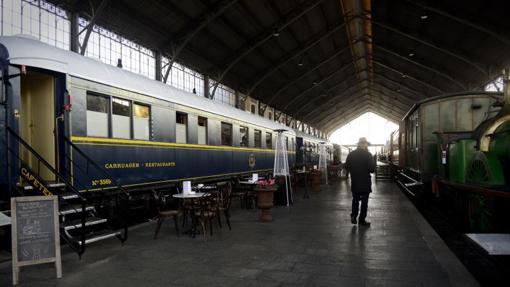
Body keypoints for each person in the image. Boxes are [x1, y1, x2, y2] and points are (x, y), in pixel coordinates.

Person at [345, 137, 376, 226]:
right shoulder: (368, 155)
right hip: (365, 182)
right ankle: (361, 220)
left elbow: (347, 167)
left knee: (355, 200)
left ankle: (354, 216)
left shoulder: (351, 154)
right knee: (364, 202)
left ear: (358, 144)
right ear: (365, 144)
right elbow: (372, 170)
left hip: (355, 181)